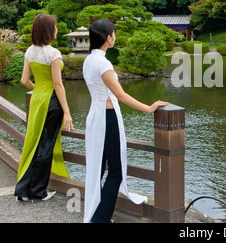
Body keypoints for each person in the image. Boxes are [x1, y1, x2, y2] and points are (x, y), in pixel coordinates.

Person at [82, 20, 168, 223]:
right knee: (116, 172)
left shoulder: (89, 60)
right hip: (107, 119)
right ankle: (100, 219)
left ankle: (99, 214)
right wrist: (148, 108)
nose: (115, 36)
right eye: (114, 33)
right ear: (108, 38)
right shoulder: (103, 63)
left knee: (97, 168)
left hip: (95, 117)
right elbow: (120, 95)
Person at [15, 14, 72, 202]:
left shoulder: (29, 51)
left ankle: (23, 189)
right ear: (49, 30)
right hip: (51, 103)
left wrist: (38, 89)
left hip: (37, 101)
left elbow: (24, 81)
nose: (56, 30)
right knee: (46, 146)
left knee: (33, 142)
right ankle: (38, 191)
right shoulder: (54, 54)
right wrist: (67, 111)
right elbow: (58, 84)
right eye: (55, 27)